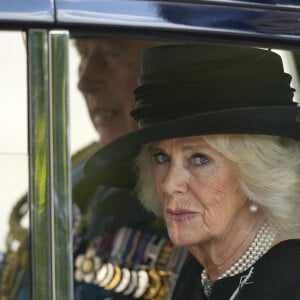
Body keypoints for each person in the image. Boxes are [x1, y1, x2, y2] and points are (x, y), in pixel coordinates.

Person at [85, 43, 300, 299]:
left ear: (256, 173)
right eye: (161, 157)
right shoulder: (201, 270)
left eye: (199, 159)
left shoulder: (290, 282)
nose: (169, 184)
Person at [0, 38, 185, 300]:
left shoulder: (203, 197)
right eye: (83, 53)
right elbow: (27, 273)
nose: (84, 82)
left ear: (175, 66)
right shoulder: (83, 169)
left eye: (112, 52)